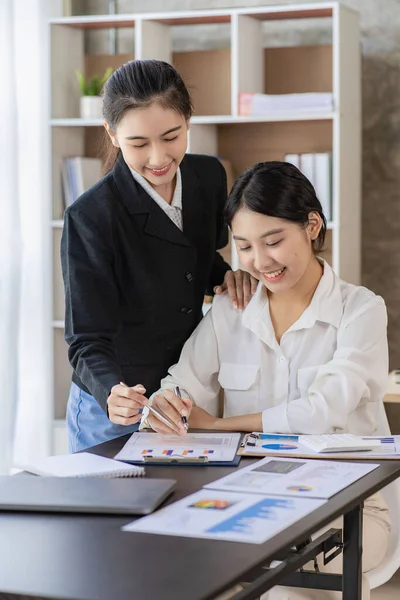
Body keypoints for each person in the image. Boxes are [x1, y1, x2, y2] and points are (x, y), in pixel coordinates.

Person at [145, 161, 391, 600]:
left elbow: (320, 412)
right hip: (245, 498)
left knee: (282, 582)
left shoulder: (361, 310)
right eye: (244, 247)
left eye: (273, 241)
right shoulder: (230, 309)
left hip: (350, 505)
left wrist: (218, 425)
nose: (260, 262)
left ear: (312, 226)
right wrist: (167, 405)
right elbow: (182, 382)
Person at [61, 59, 257, 453]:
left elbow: (196, 257)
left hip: (182, 392)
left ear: (188, 121)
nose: (158, 158)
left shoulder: (208, 177)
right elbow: (86, 338)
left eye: (171, 136)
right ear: (112, 135)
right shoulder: (90, 216)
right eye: (138, 144)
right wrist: (111, 393)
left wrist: (227, 275)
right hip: (117, 405)